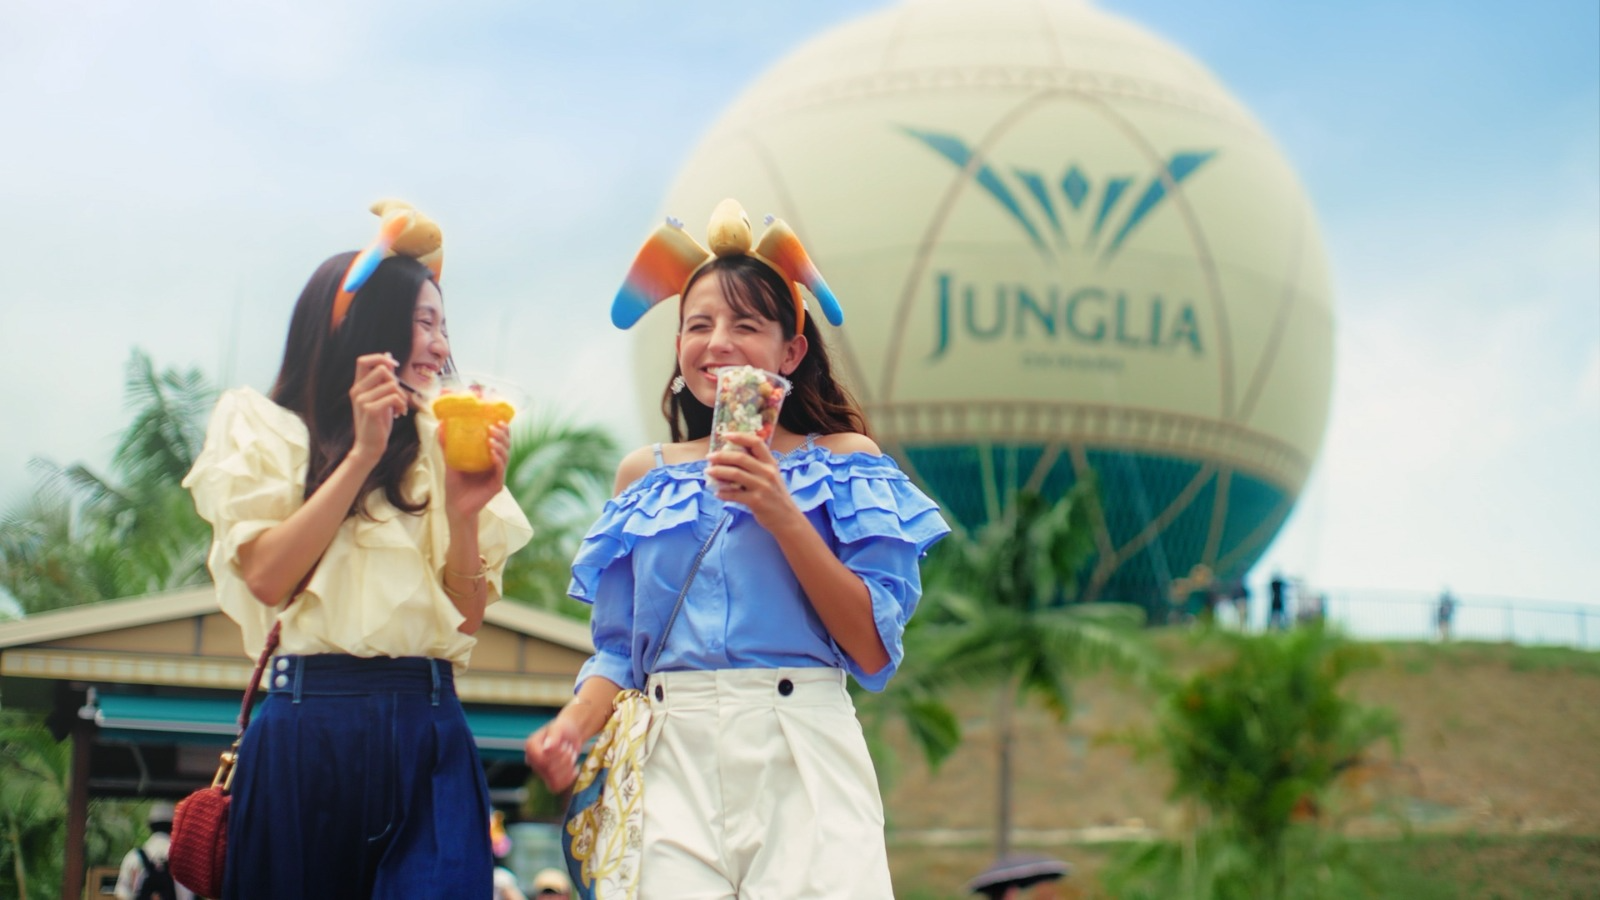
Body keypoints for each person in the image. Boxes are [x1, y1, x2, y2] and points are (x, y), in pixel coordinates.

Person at [524, 200, 950, 899]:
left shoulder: (848, 463)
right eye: (698, 325)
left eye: (745, 324)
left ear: (792, 351)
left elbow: (874, 650)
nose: (717, 341)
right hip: (670, 756)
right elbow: (618, 653)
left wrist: (781, 510)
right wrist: (571, 728)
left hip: (801, 746)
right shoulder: (644, 475)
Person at [183, 201, 533, 899]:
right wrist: (361, 455)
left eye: (443, 325)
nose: (440, 345)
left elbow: (463, 625)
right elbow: (267, 577)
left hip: (427, 722)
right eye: (424, 322)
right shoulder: (264, 427)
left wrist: (466, 514)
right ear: (365, 328)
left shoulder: (444, 441)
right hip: (306, 726)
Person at [114, 803, 194, 900]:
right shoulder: (184, 859)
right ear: (173, 826)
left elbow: (122, 894)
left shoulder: (133, 857)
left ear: (150, 826)